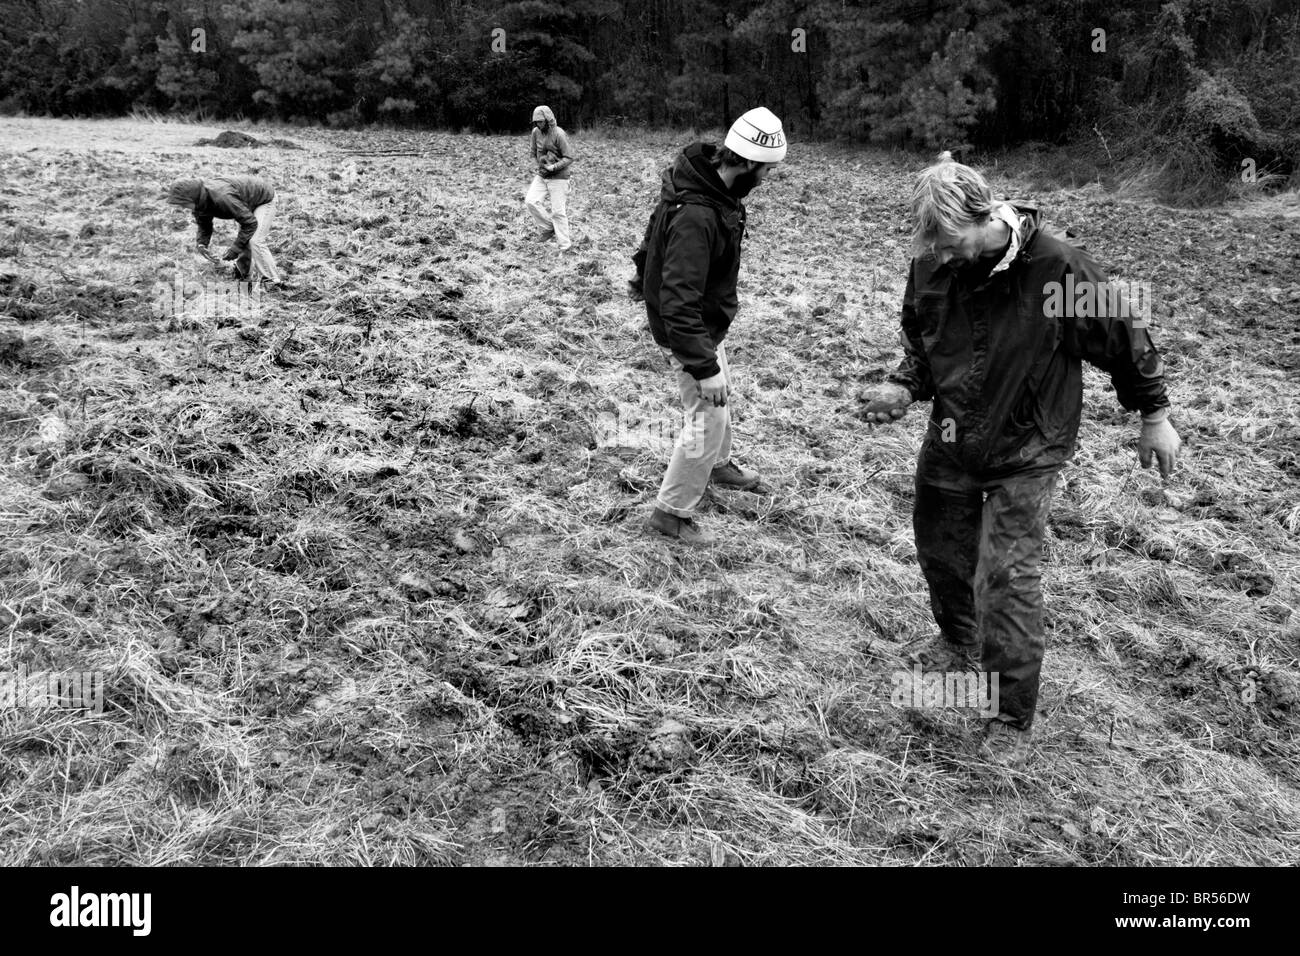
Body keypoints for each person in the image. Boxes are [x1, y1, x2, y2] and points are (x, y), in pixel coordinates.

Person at [860, 151, 1181, 767]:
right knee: (941, 549)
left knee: (1004, 575)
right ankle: (958, 644)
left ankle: (1007, 714)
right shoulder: (932, 264)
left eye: (953, 243)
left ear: (984, 215)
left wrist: (1154, 414)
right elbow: (921, 342)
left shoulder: (1056, 269)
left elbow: (1123, 335)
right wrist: (904, 386)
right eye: (935, 249)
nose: (945, 258)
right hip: (953, 436)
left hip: (1027, 446)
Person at [638, 107, 787, 544]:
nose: (764, 180)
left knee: (720, 399)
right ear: (743, 162)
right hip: (687, 330)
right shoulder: (697, 214)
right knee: (708, 410)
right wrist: (702, 365)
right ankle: (671, 513)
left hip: (704, 327)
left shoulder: (714, 189)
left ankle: (718, 465)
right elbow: (677, 299)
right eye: (764, 171)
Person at [165, 175, 283, 287]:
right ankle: (243, 273)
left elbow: (250, 223)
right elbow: (204, 225)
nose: (182, 207)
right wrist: (202, 244)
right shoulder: (200, 202)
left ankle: (272, 281)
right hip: (246, 202)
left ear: (191, 197)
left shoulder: (222, 197)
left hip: (264, 198)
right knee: (245, 237)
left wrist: (235, 249)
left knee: (255, 240)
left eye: (183, 203)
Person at [525, 105, 575, 253]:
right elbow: (533, 153)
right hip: (542, 175)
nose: (539, 125)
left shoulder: (559, 134)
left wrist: (554, 167)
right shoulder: (535, 132)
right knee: (531, 201)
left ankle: (565, 247)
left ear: (548, 119)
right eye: (536, 122)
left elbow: (569, 157)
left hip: (559, 177)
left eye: (541, 121)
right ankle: (548, 228)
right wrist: (537, 165)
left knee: (558, 212)